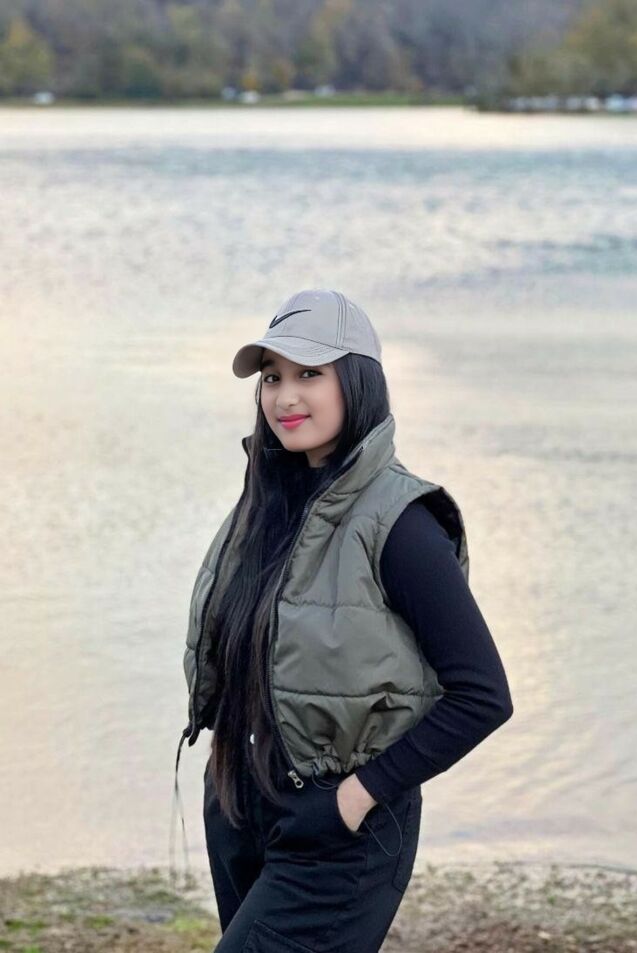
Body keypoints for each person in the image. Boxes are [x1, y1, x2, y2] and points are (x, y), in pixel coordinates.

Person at [175, 288, 514, 953]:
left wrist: (353, 799)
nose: (285, 396)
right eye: (272, 376)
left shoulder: (400, 521)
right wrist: (226, 778)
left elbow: (482, 695)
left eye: (309, 373)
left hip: (338, 831)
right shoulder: (265, 505)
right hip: (242, 808)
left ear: (356, 381)